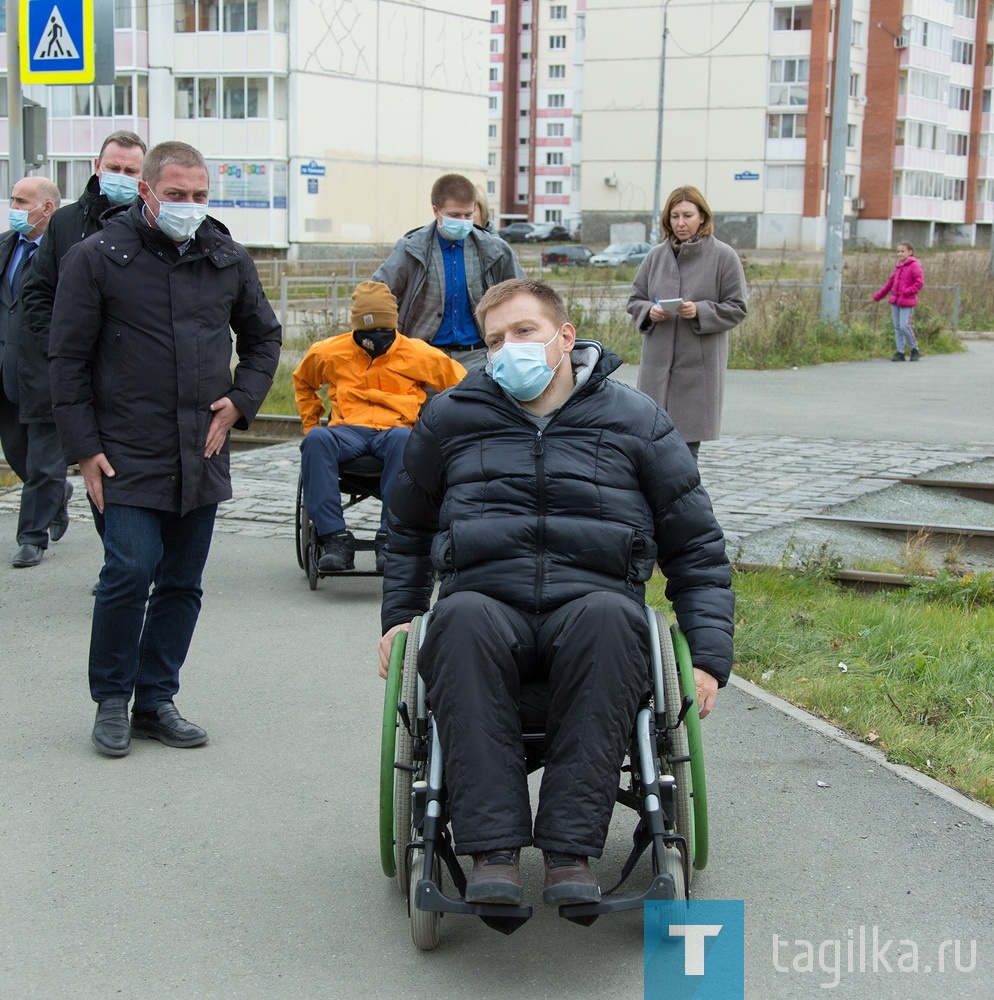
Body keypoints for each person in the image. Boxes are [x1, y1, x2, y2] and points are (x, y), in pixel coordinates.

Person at [377, 278, 734, 907]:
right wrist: (401, 617)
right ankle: (493, 852)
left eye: (524, 332)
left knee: (610, 618)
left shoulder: (636, 420)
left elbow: (694, 544)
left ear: (565, 337)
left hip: (594, 607)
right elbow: (406, 529)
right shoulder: (450, 417)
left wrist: (705, 657)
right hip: (484, 604)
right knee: (457, 618)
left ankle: (571, 854)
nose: (507, 348)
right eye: (494, 340)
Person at [48, 141, 282, 757]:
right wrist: (83, 448)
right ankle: (111, 698)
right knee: (129, 569)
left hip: (199, 447)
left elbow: (263, 338)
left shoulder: (225, 256)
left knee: (181, 581)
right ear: (149, 191)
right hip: (122, 449)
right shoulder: (97, 256)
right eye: (176, 195)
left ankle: (156, 700)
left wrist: (241, 402)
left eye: (199, 195)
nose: (189, 206)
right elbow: (67, 360)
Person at [22, 130, 147, 554]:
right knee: (94, 464)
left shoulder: (152, 221)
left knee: (126, 468)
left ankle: (128, 559)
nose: (121, 176)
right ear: (98, 167)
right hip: (79, 369)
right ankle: (119, 558)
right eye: (114, 168)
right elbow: (38, 292)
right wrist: (56, 347)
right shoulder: (65, 222)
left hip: (132, 373)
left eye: (131, 171)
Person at [293, 280, 466, 573]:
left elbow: (461, 384)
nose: (376, 339)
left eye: (382, 333)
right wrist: (311, 424)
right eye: (368, 333)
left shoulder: (418, 353)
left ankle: (391, 538)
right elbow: (304, 382)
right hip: (347, 431)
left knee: (404, 439)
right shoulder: (328, 352)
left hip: (395, 430)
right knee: (317, 440)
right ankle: (334, 538)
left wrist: (438, 427)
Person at [627, 185, 747, 462]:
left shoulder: (724, 256)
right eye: (675, 216)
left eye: (688, 215)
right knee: (651, 448)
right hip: (657, 369)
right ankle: (656, 505)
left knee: (684, 453)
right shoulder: (655, 256)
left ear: (702, 217)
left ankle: (685, 506)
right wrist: (649, 311)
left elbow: (737, 308)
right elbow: (635, 299)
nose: (681, 223)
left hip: (698, 372)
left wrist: (700, 311)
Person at [372, 172, 524, 372]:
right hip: (423, 356)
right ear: (436, 211)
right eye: (454, 216)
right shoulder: (411, 249)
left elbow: (523, 294)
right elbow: (378, 292)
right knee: (429, 405)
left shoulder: (494, 250)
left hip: (479, 356)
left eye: (468, 215)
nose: (462, 221)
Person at [0, 176, 62, 567]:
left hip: (45, 372)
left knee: (43, 461)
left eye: (22, 201)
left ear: (46, 209)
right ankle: (57, 495)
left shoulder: (63, 252)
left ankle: (32, 538)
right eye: (13, 200)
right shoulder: (5, 247)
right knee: (18, 454)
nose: (15, 207)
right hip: (6, 375)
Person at [872, 242, 924, 362]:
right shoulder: (898, 267)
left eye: (902, 251)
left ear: (910, 252)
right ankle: (900, 352)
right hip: (895, 300)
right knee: (897, 327)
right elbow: (889, 284)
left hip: (907, 300)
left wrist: (907, 291)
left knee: (904, 326)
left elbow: (919, 282)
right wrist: (877, 296)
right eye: (898, 251)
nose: (900, 253)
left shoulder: (914, 266)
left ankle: (914, 349)